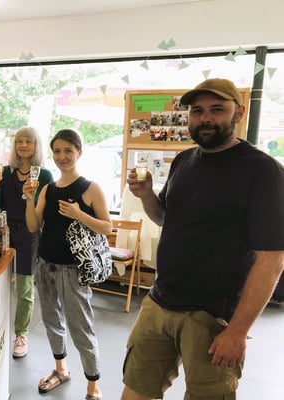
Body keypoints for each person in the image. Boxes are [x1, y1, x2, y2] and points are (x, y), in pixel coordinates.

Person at [121, 78, 284, 400]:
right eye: (197, 111)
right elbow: (164, 218)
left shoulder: (263, 171)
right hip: (159, 302)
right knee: (134, 392)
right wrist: (146, 195)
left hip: (213, 315)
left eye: (216, 109)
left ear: (239, 113)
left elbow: (272, 260)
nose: (205, 118)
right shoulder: (185, 160)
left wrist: (238, 332)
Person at [24, 128, 112, 400]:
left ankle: (93, 385)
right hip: (45, 265)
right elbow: (33, 226)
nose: (62, 156)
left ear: (79, 153)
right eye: (57, 151)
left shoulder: (90, 188)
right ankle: (61, 369)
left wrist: (78, 214)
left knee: (81, 328)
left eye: (68, 151)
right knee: (51, 321)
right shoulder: (48, 189)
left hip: (73, 270)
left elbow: (107, 227)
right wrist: (29, 199)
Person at [0, 126, 54, 358]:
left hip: (29, 234)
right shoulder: (6, 172)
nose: (23, 145)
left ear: (36, 146)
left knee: (25, 287)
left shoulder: (43, 175)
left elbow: (46, 210)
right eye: (19, 141)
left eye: (28, 141)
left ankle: (21, 334)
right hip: (4, 232)